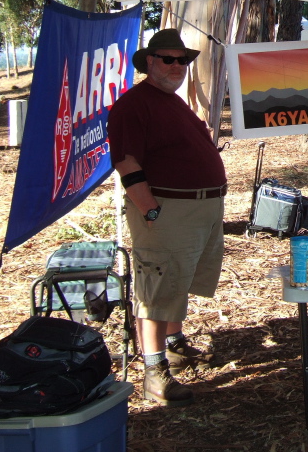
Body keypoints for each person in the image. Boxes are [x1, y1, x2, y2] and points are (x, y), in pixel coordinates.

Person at [107, 28, 227, 406]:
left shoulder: (171, 101)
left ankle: (174, 345)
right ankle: (154, 373)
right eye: (168, 59)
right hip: (168, 211)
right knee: (156, 289)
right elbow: (127, 162)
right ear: (150, 62)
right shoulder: (134, 104)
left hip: (199, 210)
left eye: (182, 61)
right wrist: (151, 210)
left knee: (177, 280)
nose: (177, 66)